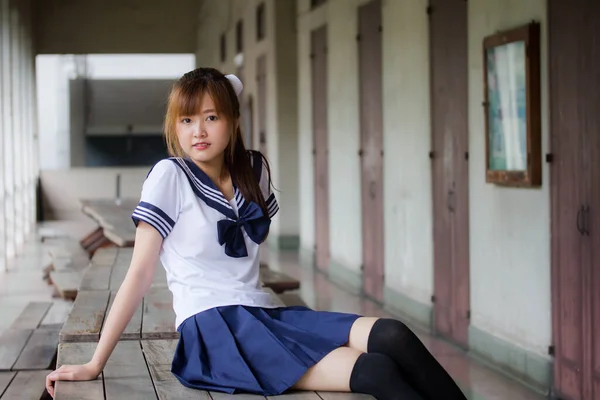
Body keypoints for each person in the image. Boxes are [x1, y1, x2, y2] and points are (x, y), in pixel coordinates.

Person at [45, 67, 466, 400]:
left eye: (211, 117)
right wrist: (94, 364)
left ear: (233, 120)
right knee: (376, 370)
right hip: (215, 331)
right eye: (187, 120)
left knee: (392, 334)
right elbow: (138, 276)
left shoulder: (254, 170)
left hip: (263, 311)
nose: (198, 132)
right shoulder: (169, 176)